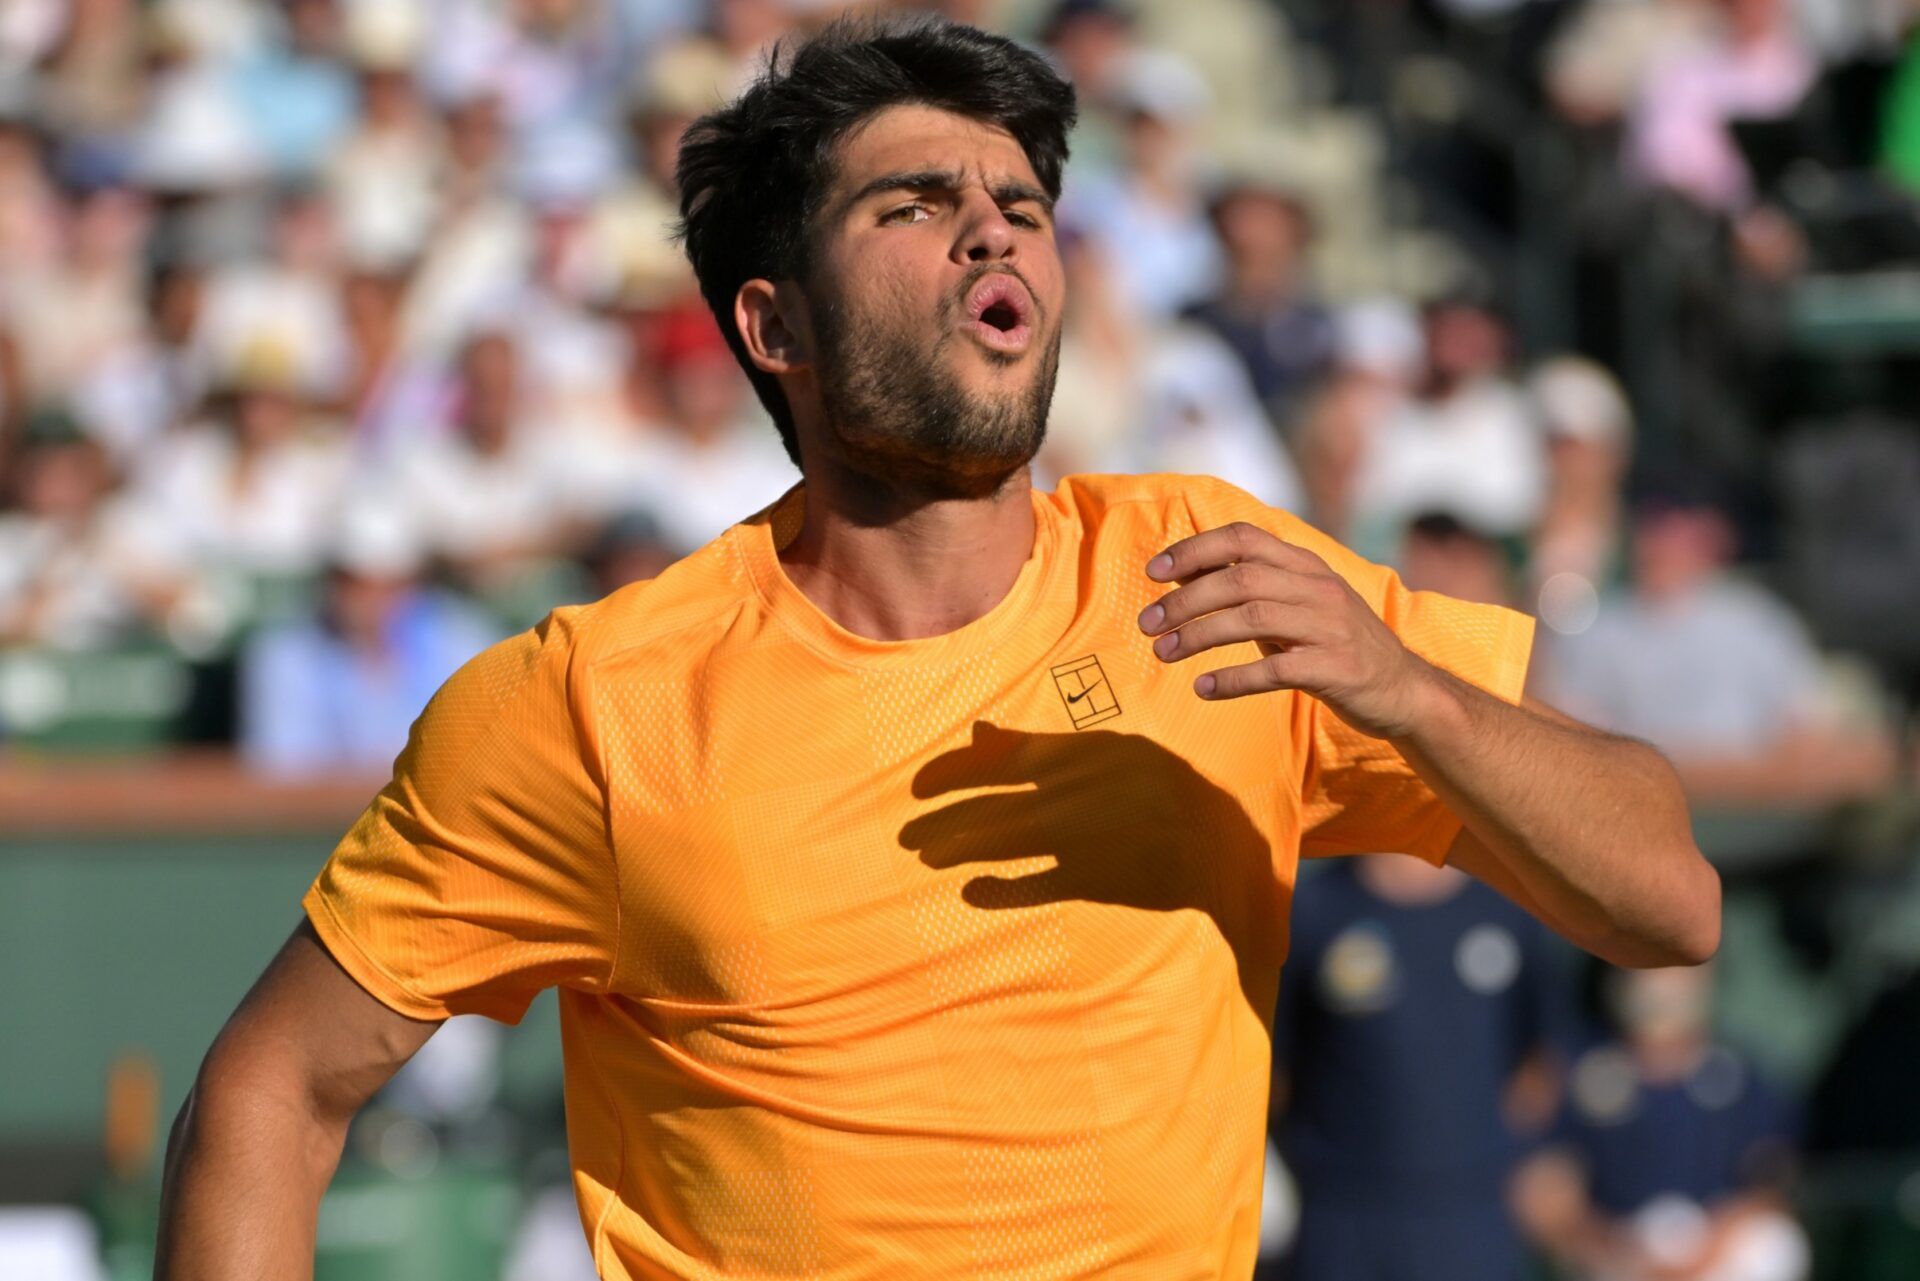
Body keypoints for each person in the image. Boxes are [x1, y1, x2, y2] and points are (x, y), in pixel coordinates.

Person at [157, 18, 1719, 1280]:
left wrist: (1408, 688)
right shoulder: (588, 703)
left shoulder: (1216, 564)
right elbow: (271, 1090)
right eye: (913, 205)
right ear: (776, 330)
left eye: (1022, 206)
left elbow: (1666, 898)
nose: (992, 228)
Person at [1512, 966, 1808, 1281]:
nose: (1660, 990)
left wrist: (1704, 1255)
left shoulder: (1739, 1077)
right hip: (1622, 1246)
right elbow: (1545, 1193)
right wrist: (1610, 1245)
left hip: (1715, 1245)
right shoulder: (1581, 1072)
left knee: (1775, 1244)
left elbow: (1770, 1188)